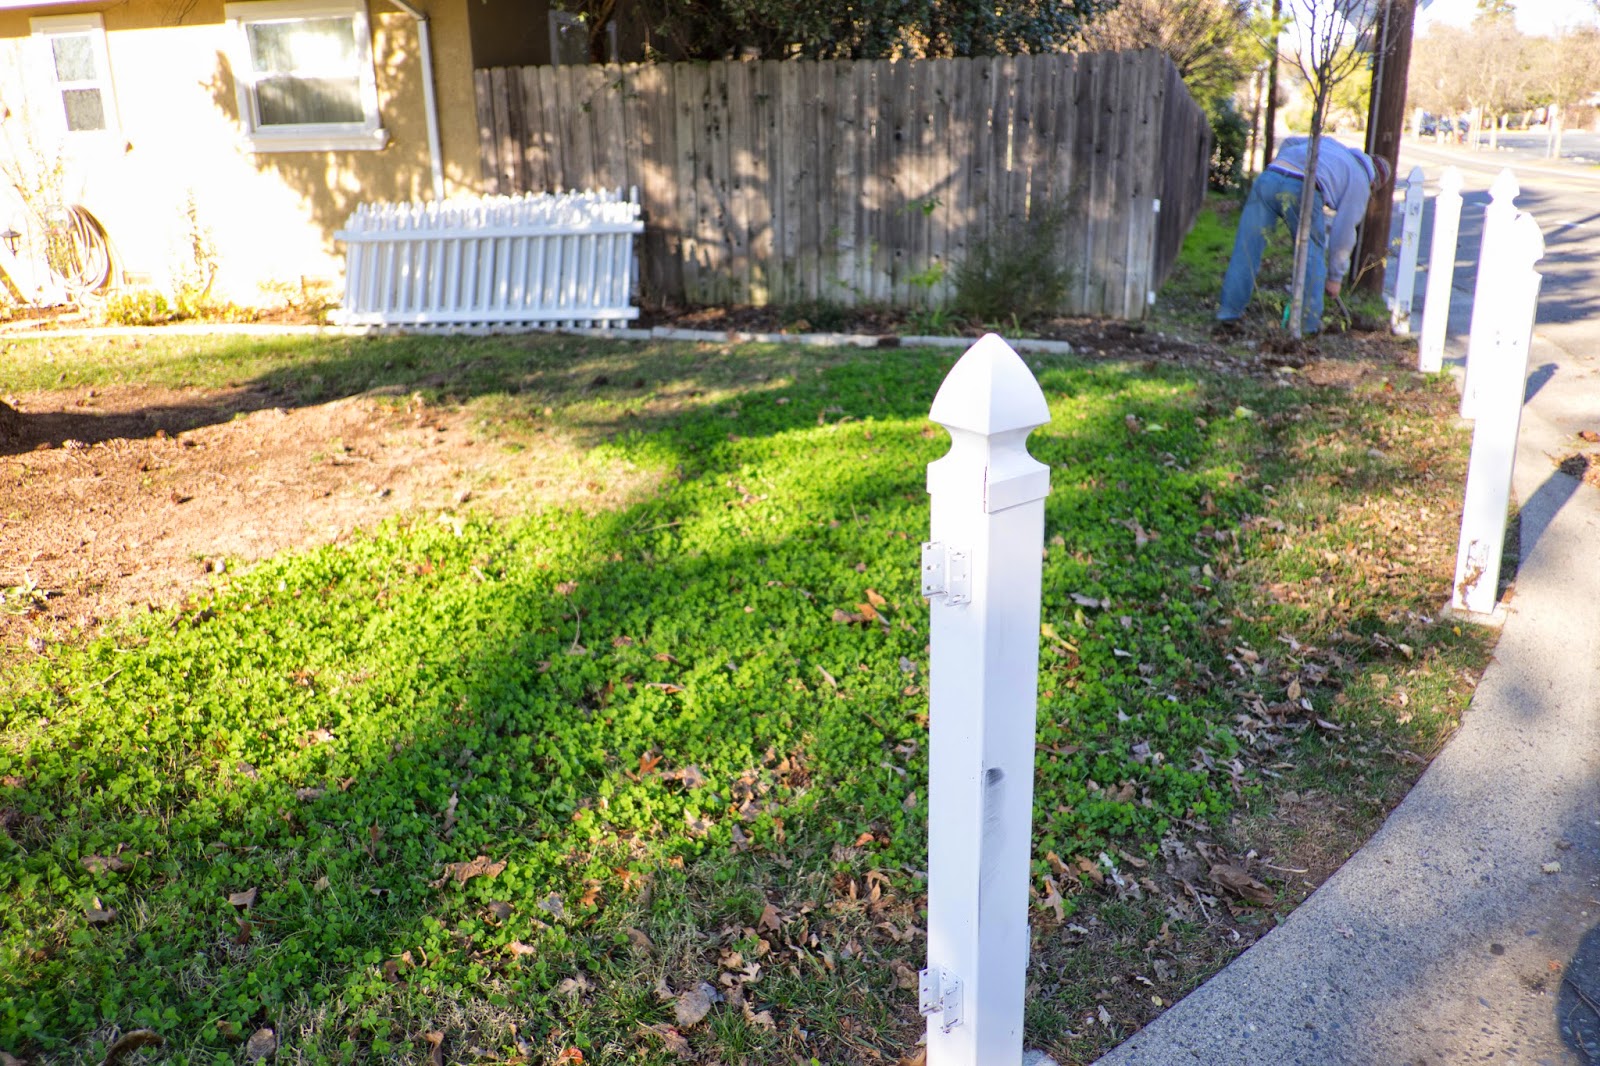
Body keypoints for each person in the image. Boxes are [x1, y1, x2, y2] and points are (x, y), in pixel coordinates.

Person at [1215, 137, 1391, 335]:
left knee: (1247, 248)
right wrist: (1335, 278)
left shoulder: (1334, 146)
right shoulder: (1361, 180)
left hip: (1270, 177)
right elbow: (1343, 234)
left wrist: (1283, 173)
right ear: (1374, 182)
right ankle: (1308, 326)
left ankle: (1228, 314)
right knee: (1311, 256)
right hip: (1303, 187)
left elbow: (1289, 142)